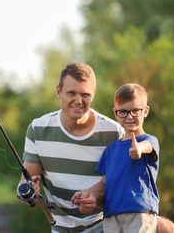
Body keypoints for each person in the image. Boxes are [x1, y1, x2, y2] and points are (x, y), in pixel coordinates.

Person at [17, 63, 124, 232]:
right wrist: (26, 191)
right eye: (71, 93)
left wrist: (96, 198)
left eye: (85, 94)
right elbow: (27, 182)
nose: (78, 100)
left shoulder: (114, 132)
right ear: (59, 92)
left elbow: (120, 190)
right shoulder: (37, 129)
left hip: (104, 226)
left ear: (93, 94)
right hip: (60, 228)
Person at [72, 83, 160, 232]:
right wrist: (88, 193)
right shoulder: (111, 149)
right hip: (111, 214)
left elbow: (148, 147)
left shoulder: (149, 140)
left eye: (135, 111)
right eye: (123, 112)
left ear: (145, 111)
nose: (129, 116)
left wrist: (139, 148)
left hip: (139, 212)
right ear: (115, 113)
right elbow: (104, 183)